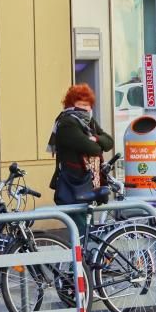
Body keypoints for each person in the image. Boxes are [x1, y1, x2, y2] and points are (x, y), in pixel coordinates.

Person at [48, 84, 114, 231]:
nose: (84, 108)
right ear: (71, 104)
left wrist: (96, 138)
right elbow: (93, 149)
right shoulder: (67, 122)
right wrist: (97, 143)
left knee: (85, 226)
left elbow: (109, 141)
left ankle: (87, 246)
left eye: (87, 105)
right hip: (73, 184)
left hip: (87, 182)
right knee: (81, 228)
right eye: (80, 104)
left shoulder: (89, 121)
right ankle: (85, 246)